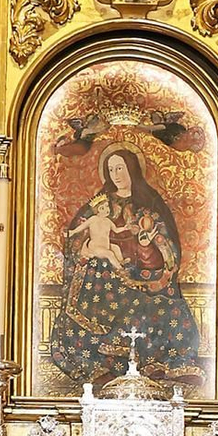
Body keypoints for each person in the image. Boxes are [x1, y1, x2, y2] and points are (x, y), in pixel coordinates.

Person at [48, 145, 202, 386]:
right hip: (105, 278)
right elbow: (75, 237)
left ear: (132, 169)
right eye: (110, 169)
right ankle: (106, 366)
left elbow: (166, 246)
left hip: (144, 276)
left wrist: (150, 248)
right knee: (105, 305)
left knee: (169, 308)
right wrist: (84, 248)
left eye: (120, 168)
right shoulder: (98, 205)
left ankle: (163, 364)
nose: (115, 174)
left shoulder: (149, 205)